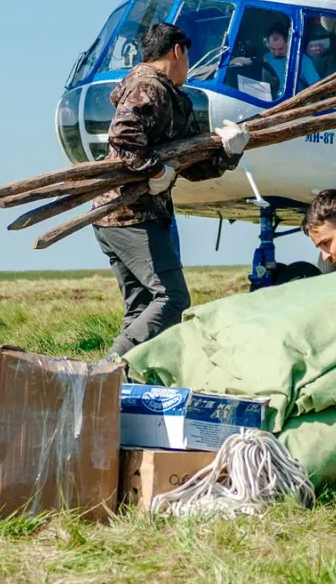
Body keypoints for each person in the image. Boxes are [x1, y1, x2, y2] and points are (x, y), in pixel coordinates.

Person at [96, 22, 248, 359]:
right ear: (177, 51)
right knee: (172, 298)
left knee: (141, 309)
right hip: (133, 214)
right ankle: (108, 366)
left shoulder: (162, 92)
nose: (188, 66)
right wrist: (155, 170)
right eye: (188, 56)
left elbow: (191, 166)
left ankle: (122, 383)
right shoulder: (150, 88)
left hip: (115, 216)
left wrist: (228, 153)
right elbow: (123, 137)